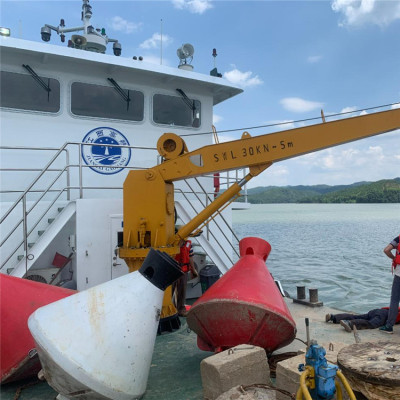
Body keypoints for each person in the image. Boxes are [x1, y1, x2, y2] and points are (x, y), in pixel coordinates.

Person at [379, 235, 400, 333]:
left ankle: (389, 326)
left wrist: (394, 258)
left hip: (399, 274)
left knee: (395, 300)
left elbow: (386, 250)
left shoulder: (398, 238)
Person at [174, 237, 198, 317]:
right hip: (174, 270)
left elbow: (190, 257)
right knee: (172, 291)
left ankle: (181, 309)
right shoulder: (173, 243)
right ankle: (172, 309)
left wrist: (193, 270)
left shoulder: (188, 245)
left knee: (182, 290)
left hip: (184, 270)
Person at [325, 308, 400, 332]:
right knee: (371, 324)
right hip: (383, 315)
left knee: (356, 316)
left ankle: (333, 317)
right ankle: (349, 323)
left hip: (377, 311)